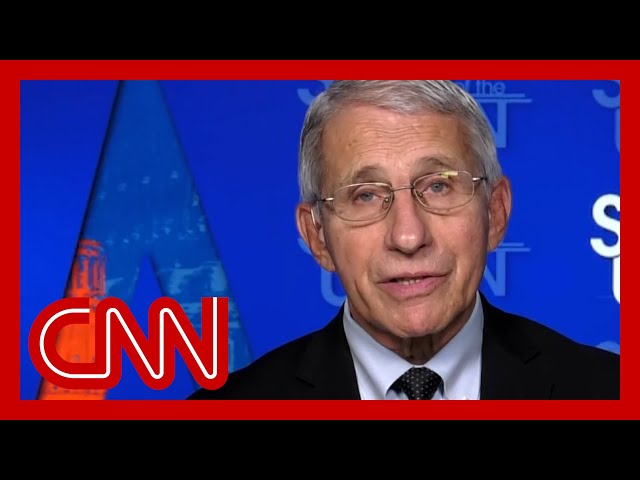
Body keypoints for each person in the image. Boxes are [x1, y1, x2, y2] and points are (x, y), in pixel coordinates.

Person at [188, 80, 620, 400]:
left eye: (439, 186)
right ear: (317, 235)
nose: (408, 236)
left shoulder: (610, 391)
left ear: (495, 213)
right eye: (365, 195)